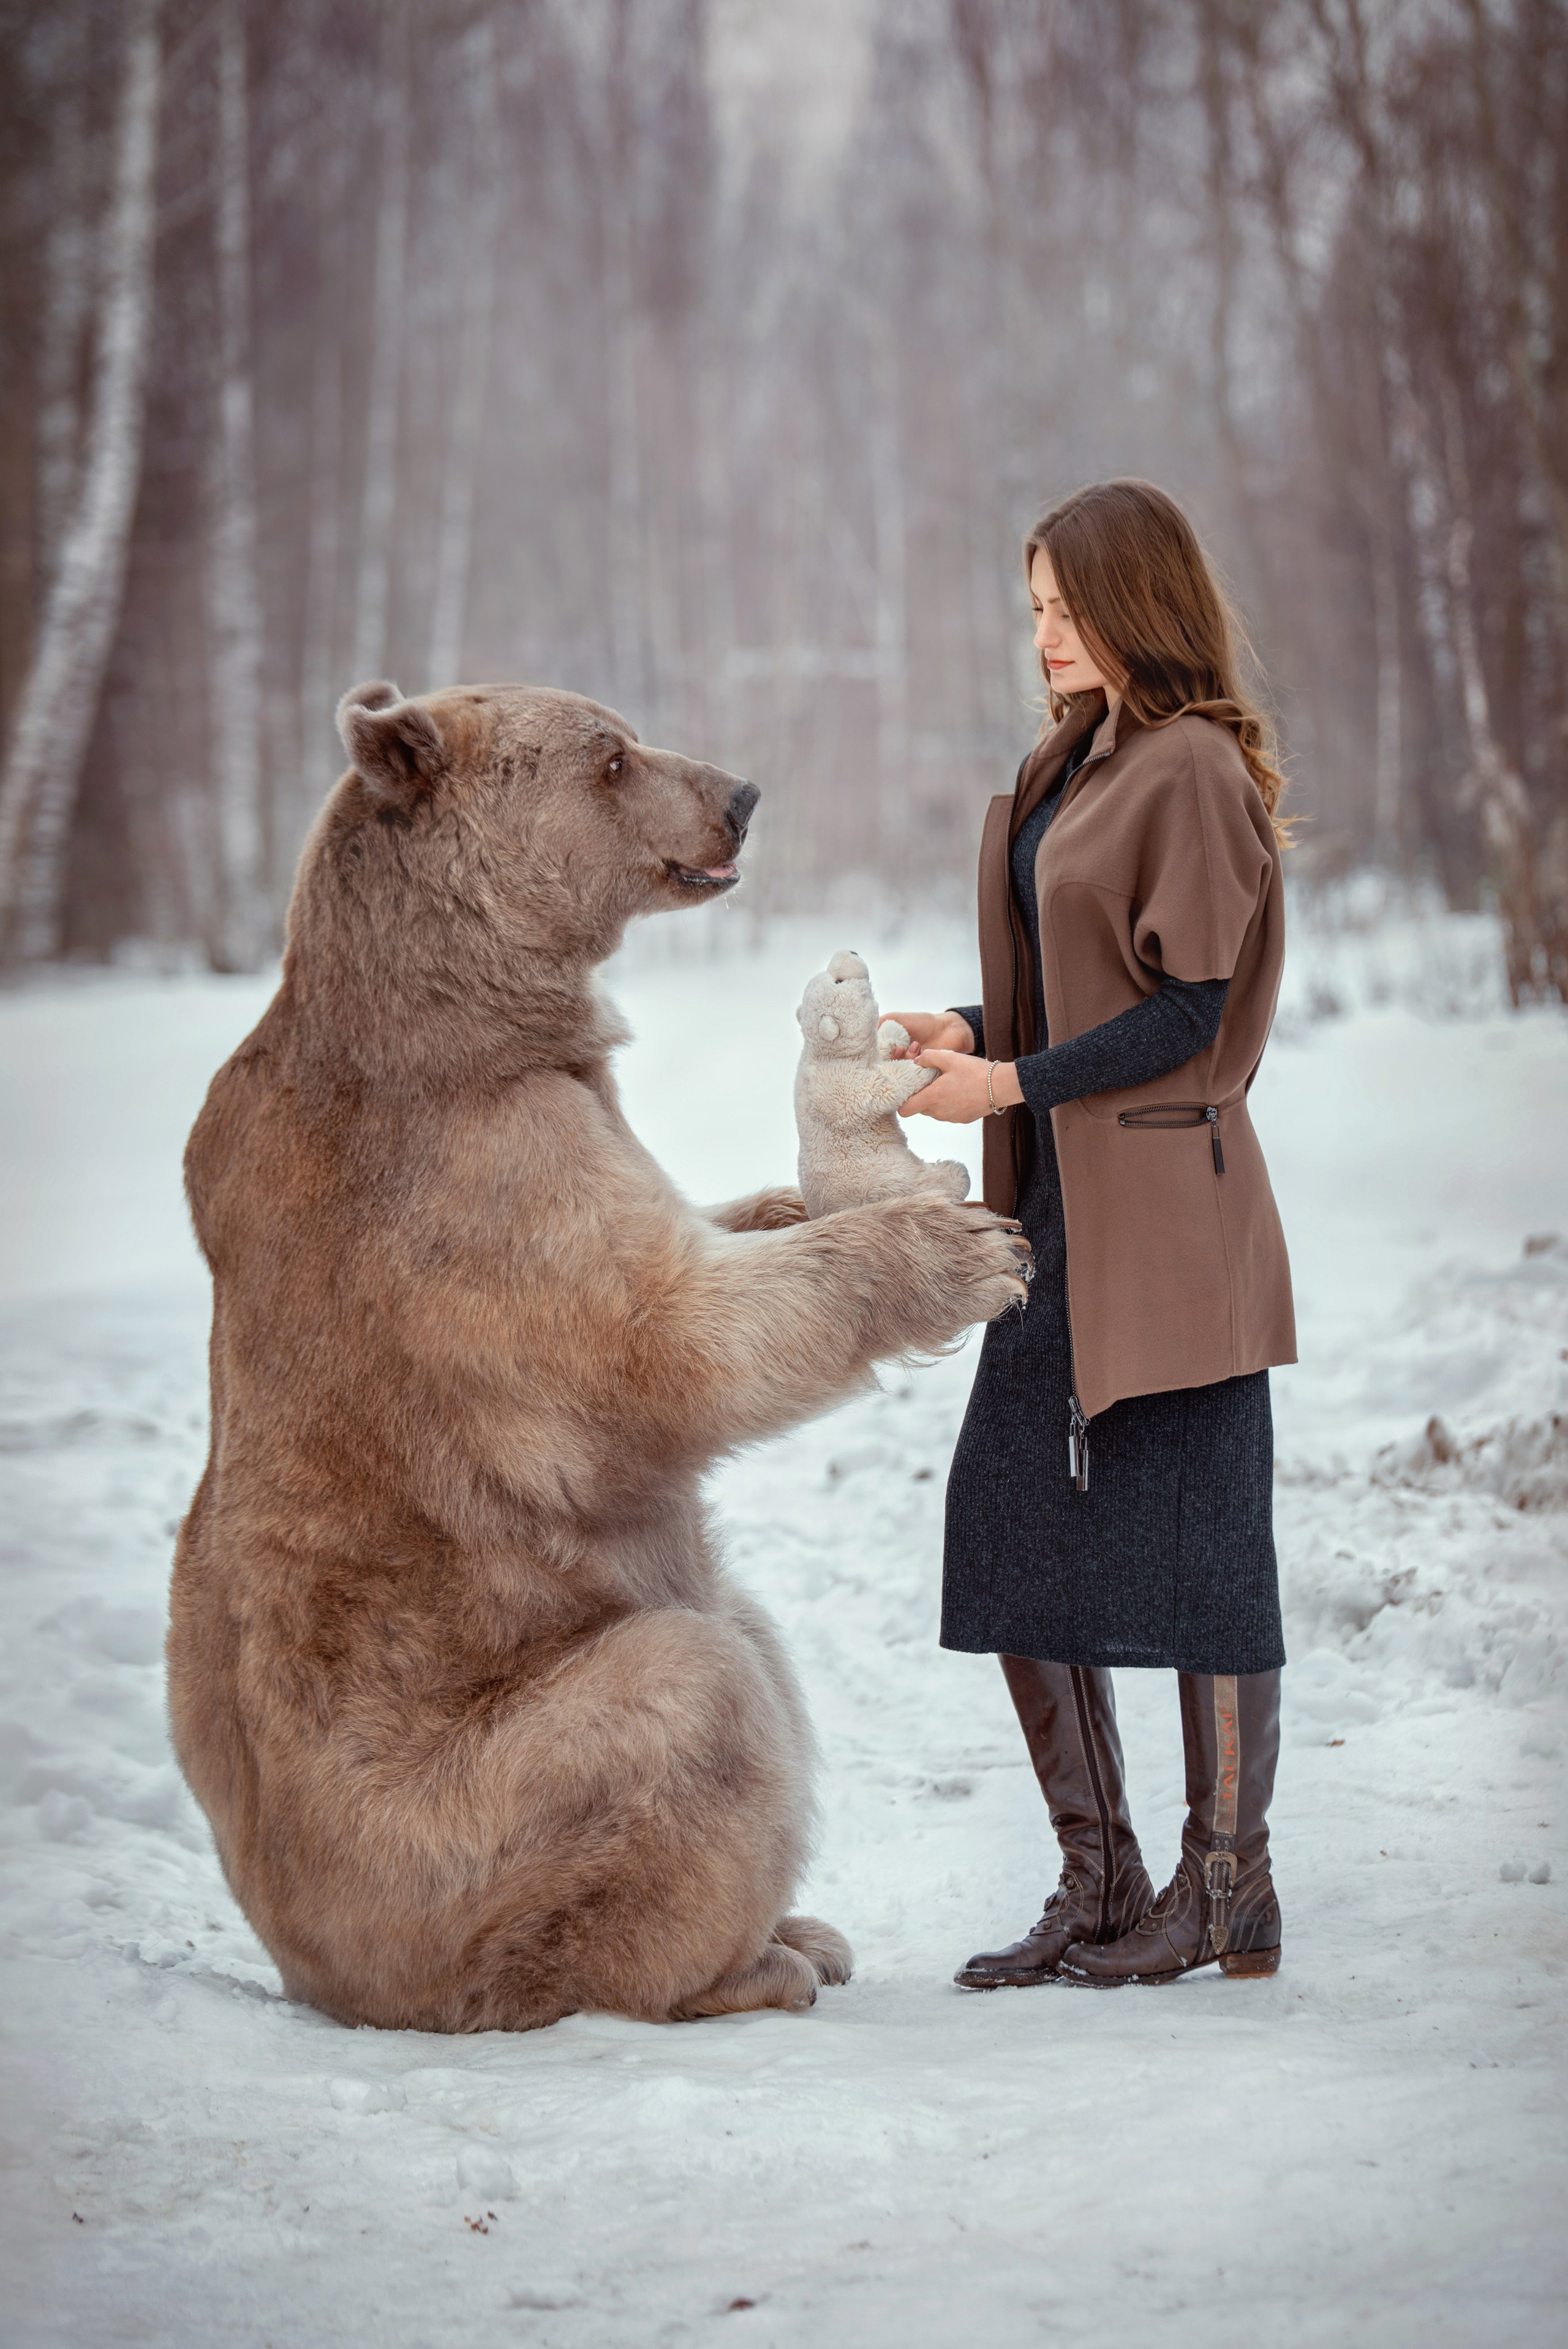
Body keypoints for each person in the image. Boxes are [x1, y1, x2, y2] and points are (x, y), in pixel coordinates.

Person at [885, 478, 1295, 1987]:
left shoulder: (1186, 768)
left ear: (1134, 603)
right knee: (1005, 1529)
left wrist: (1007, 1077)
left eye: (1064, 606)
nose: (1042, 633)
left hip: (1169, 1226)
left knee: (1201, 1558)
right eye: (1034, 609)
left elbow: (1185, 1016)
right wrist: (976, 1028)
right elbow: (1088, 1001)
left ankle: (1226, 1885)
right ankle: (1104, 1877)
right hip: (1058, 1217)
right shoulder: (1072, 761)